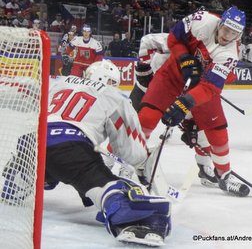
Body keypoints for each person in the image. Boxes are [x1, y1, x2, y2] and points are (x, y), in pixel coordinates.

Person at [2, 60, 171, 246]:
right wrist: (142, 164)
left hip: (32, 142)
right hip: (69, 147)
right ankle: (131, 215)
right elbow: (131, 151)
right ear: (111, 81)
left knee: (48, 164)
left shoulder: (60, 82)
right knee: (108, 186)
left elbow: (22, 92)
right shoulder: (115, 96)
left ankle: (18, 179)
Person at [138, 6, 250, 197]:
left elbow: (210, 88)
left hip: (202, 85)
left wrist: (184, 104)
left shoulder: (230, 54)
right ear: (220, 24)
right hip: (172, 73)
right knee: (147, 117)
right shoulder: (202, 20)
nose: (227, 36)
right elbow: (174, 37)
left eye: (233, 33)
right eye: (225, 29)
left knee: (217, 130)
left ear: (239, 35)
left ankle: (224, 174)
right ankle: (134, 161)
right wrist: (184, 58)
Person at [129, 32, 218, 187]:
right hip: (151, 85)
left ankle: (204, 165)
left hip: (181, 90)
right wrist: (144, 68)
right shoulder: (179, 40)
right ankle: (126, 162)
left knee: (199, 129)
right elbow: (146, 40)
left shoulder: (212, 52)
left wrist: (190, 123)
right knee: (137, 124)